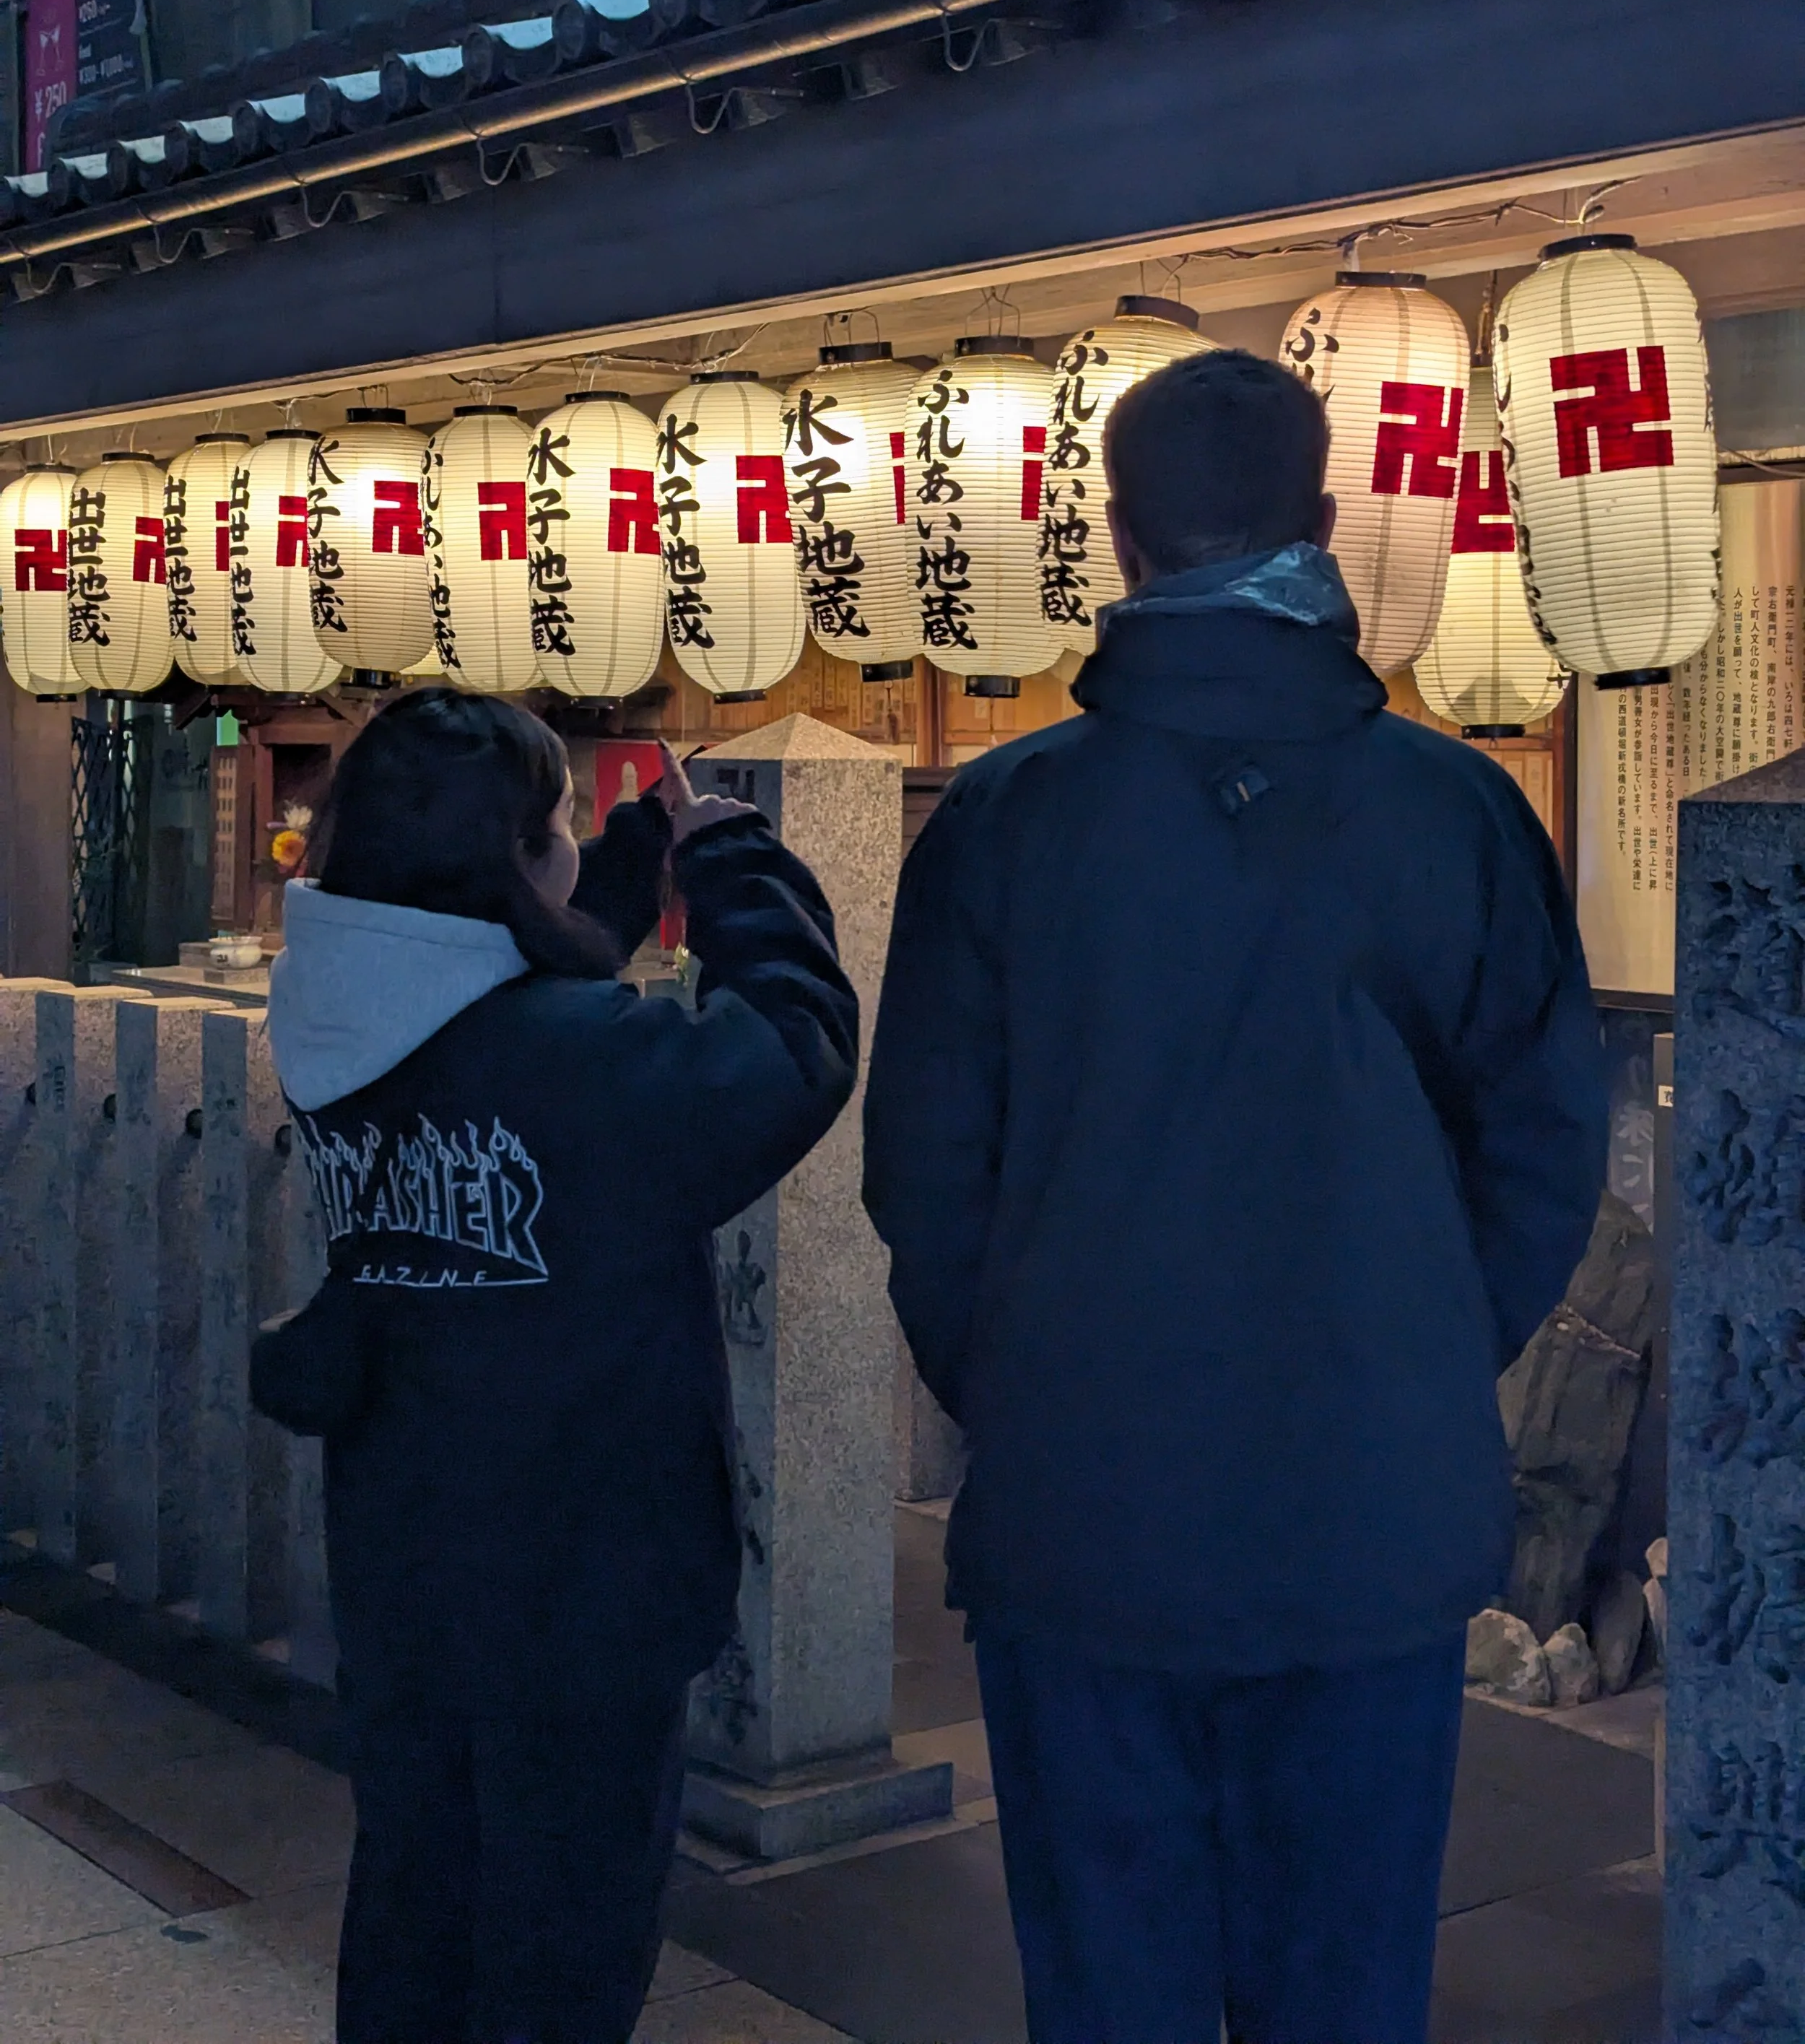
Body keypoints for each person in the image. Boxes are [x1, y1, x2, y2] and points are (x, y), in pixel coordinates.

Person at [863, 347, 1606, 2044]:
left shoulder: (998, 822)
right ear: (1324, 522)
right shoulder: (1456, 809)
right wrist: (1413, 1355)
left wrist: (1033, 1382)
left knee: (1107, 1988)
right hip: (1369, 1516)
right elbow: (1542, 1153)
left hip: (1084, 1512)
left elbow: (924, 1183)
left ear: (1116, 542)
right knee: (1343, 1987)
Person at [252, 688, 856, 2044]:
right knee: (563, 1945)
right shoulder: (577, 1062)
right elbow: (797, 1051)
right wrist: (737, 868)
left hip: (404, 1558)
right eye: (563, 827)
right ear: (519, 856)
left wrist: (635, 855)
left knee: (416, 1899)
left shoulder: (338, 1006)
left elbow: (508, 985)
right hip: (581, 1573)